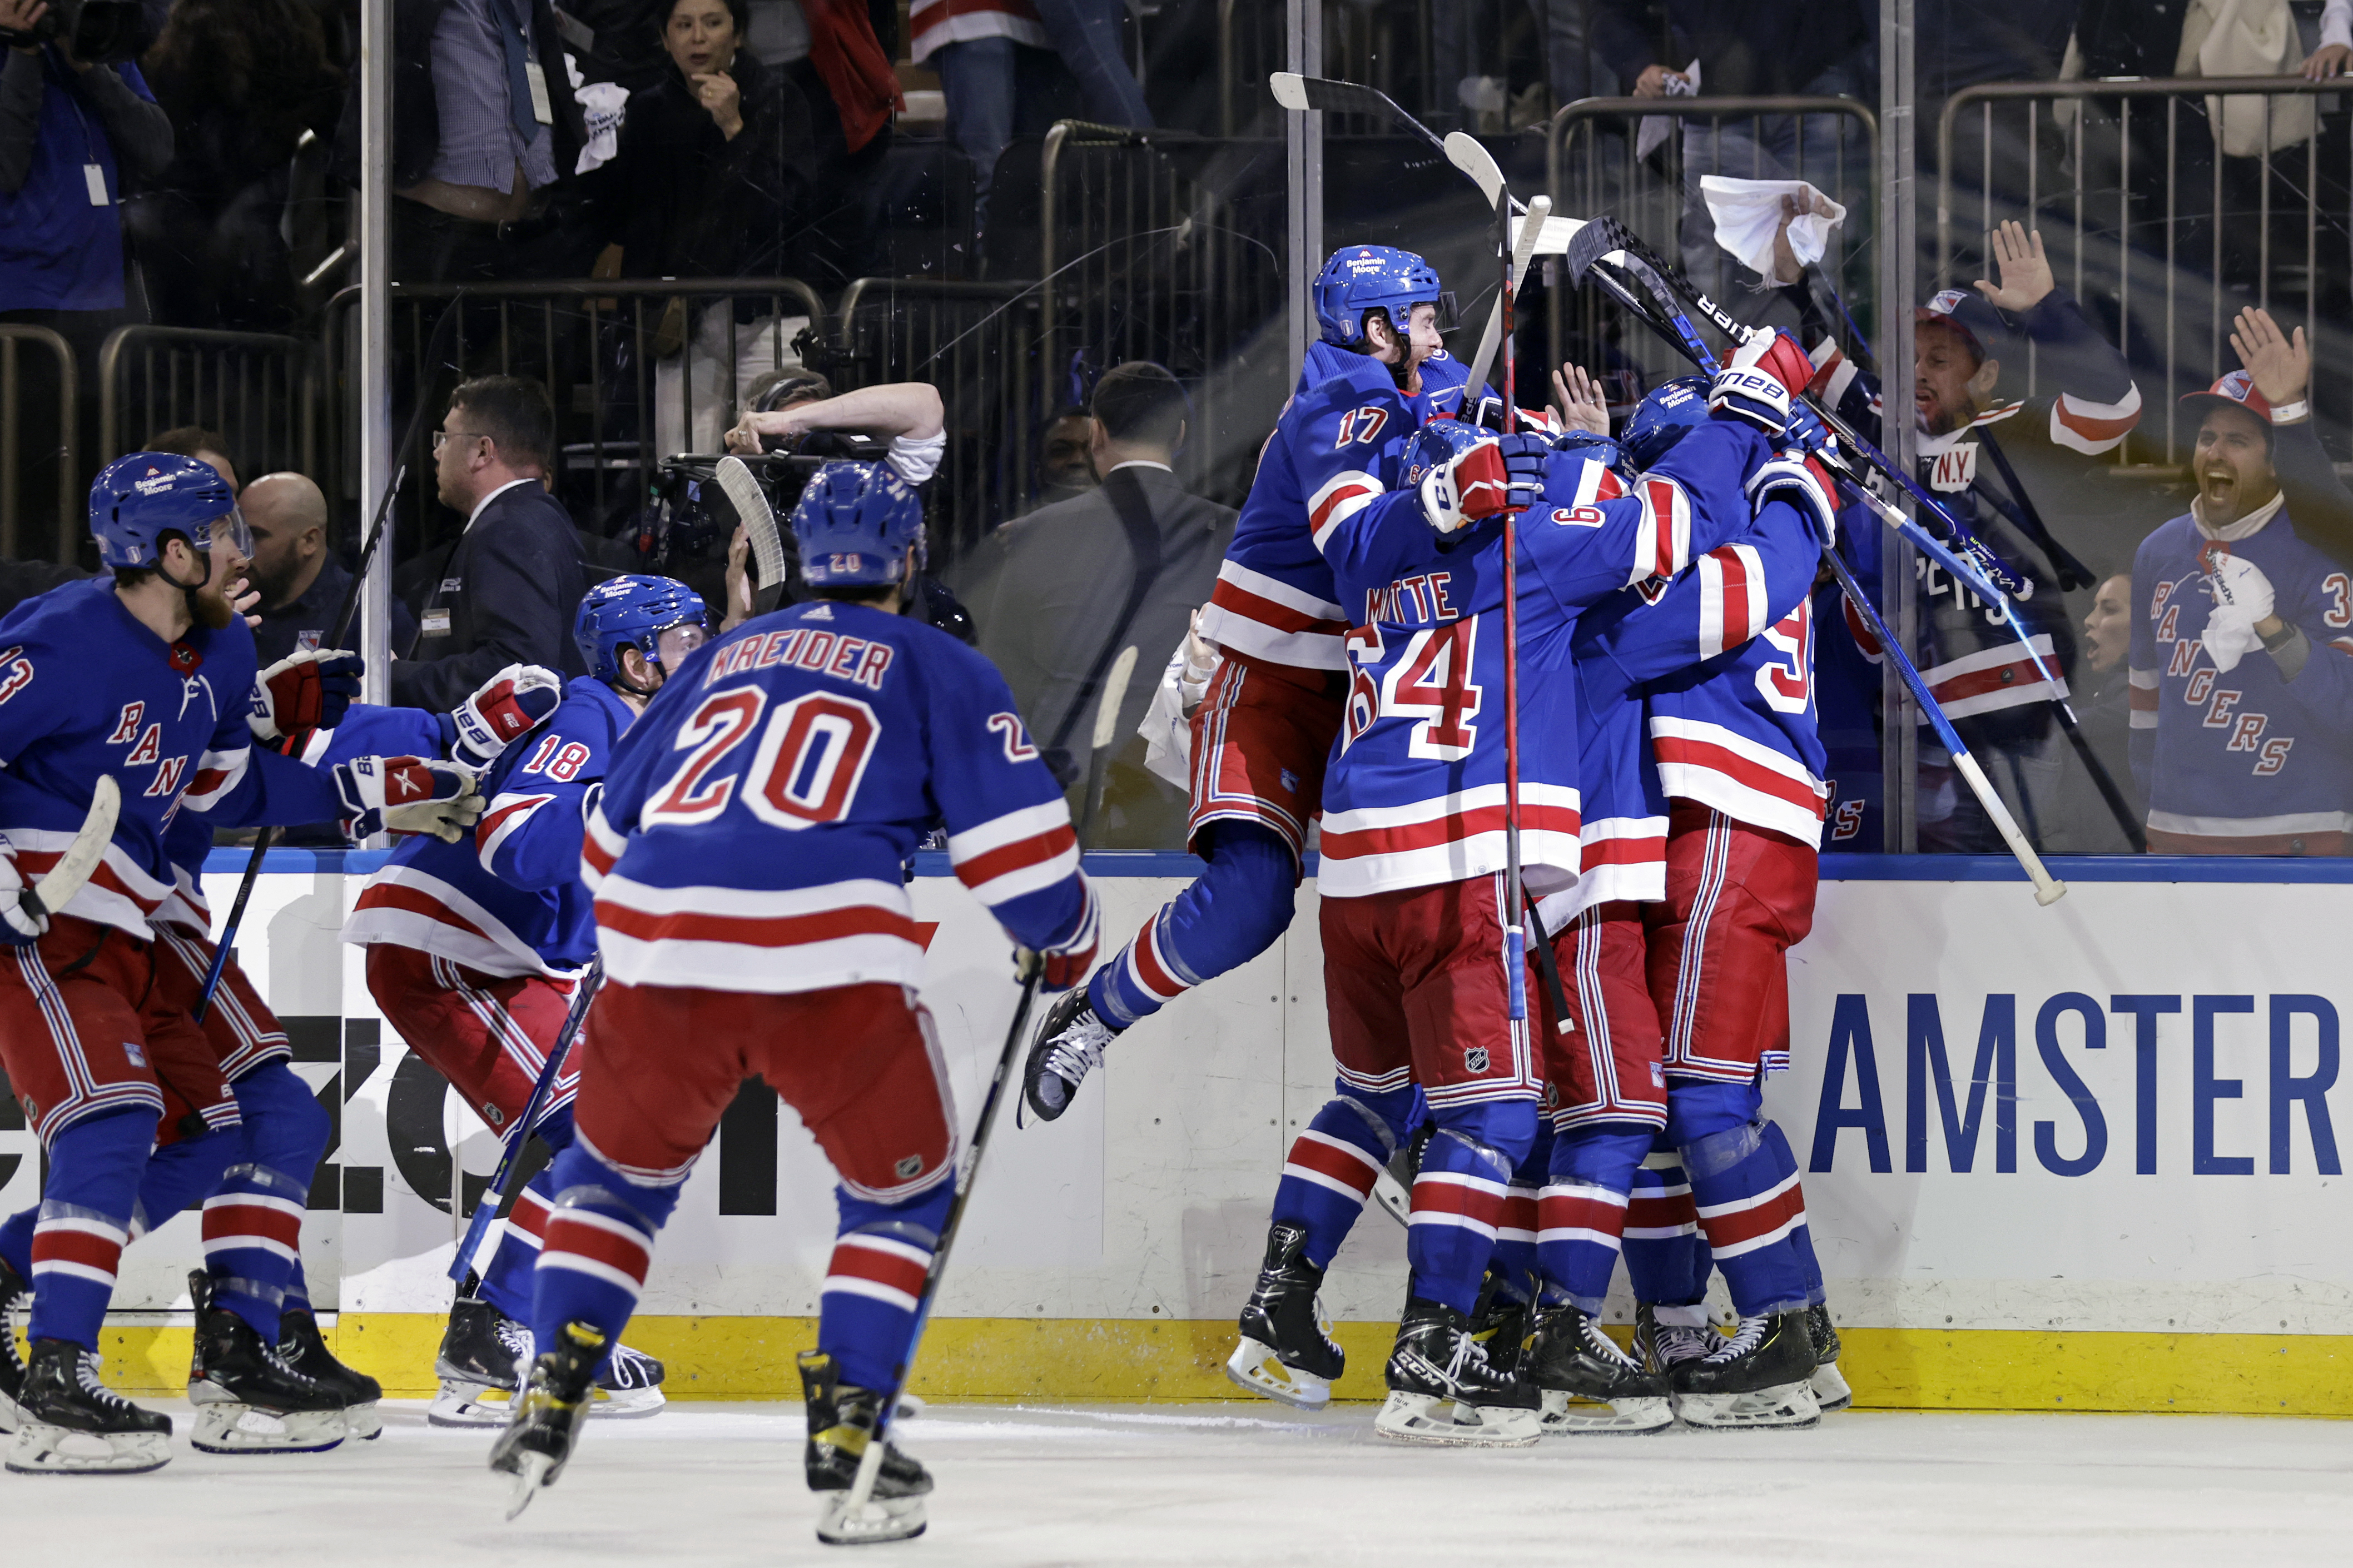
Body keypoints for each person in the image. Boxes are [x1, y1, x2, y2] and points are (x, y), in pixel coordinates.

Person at [488, 461, 1100, 1541]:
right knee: (896, 1197)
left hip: (661, 957)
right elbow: (1023, 865)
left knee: (619, 1188)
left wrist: (651, 935)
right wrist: (1068, 944)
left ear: (805, 558)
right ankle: (849, 1440)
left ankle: (551, 1389)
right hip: (831, 964)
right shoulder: (935, 662)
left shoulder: (719, 655)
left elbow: (606, 836)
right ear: (908, 558)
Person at [0, 452, 478, 1473]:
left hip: (150, 922)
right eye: (225, 538)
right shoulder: (58, 642)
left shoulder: (219, 656)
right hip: (47, 922)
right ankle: (55, 1379)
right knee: (115, 1118)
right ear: (172, 555)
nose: (241, 556)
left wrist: (372, 795)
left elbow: (226, 795)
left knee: (259, 1124)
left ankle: (235, 1346)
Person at [1015, 246, 1478, 1129]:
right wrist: (1450, 482)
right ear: (1376, 332)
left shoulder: (1426, 380)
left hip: (1369, 692)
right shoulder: (1333, 405)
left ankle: (1419, 1111)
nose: (1438, 334)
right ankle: (1096, 1013)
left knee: (1403, 905)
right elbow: (1361, 550)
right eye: (1421, 319)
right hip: (1266, 675)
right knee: (1256, 897)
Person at [346, 580, 707, 1424]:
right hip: (452, 948)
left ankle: (537, 1326)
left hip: (496, 957)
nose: (707, 657)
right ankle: (494, 1333)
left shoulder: (656, 733)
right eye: (688, 642)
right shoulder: (590, 717)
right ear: (634, 662)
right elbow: (516, 841)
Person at [1801, 221, 2144, 854]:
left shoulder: (2019, 434)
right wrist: (1791, 269)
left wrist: (2048, 312)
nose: (1917, 372)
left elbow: (2113, 408)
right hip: (1915, 737)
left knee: (2019, 909)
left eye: (1938, 359)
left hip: (2018, 728)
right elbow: (1816, 362)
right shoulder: (1884, 435)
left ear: (1985, 377)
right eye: (1909, 356)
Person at [966, 361, 1235, 848]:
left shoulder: (1032, 538)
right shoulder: (1236, 538)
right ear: (1179, 434)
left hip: (1064, 802)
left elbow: (1003, 687)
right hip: (1189, 799)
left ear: (1097, 434)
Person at [2128, 372, 2353, 853]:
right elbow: (2145, 699)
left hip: (2297, 832)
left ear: (2275, 465)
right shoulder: (2157, 551)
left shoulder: (2319, 550)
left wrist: (2273, 630)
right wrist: (2155, 804)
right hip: (2177, 834)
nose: (2215, 452)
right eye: (2208, 437)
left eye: (2238, 440)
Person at [602, 0, 820, 457]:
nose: (697, 37)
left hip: (769, 313)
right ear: (665, 38)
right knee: (684, 466)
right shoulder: (650, 109)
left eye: (712, 23)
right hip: (686, 317)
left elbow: (785, 213)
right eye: (683, 25)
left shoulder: (778, 97)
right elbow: (639, 221)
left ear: (738, 34)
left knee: (771, 464)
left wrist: (734, 127)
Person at [0, 1, 173, 513]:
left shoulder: (96, 40)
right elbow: (5, 169)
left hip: (105, 310)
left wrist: (89, 69)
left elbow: (159, 148)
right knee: (26, 493)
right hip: (21, 307)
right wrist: (24, 51)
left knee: (98, 493)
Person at [130, 0, 343, 330]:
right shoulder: (290, 36)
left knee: (187, 357)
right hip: (252, 244)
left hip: (189, 234)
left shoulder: (183, 41)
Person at [392, 376, 592, 710]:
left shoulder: (506, 532)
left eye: (446, 437)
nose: (437, 452)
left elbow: (516, 671)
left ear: (482, 451)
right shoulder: (539, 518)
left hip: (504, 757)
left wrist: (396, 678)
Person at [910, 0, 1149, 246]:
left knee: (1016, 178)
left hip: (1023, 24)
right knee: (999, 175)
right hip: (988, 19)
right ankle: (988, 273)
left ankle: (998, 273)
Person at [241, 471, 421, 666]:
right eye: (236, 535)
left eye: (254, 536)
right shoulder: (234, 608)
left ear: (309, 541)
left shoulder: (370, 616)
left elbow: (401, 691)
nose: (240, 550)